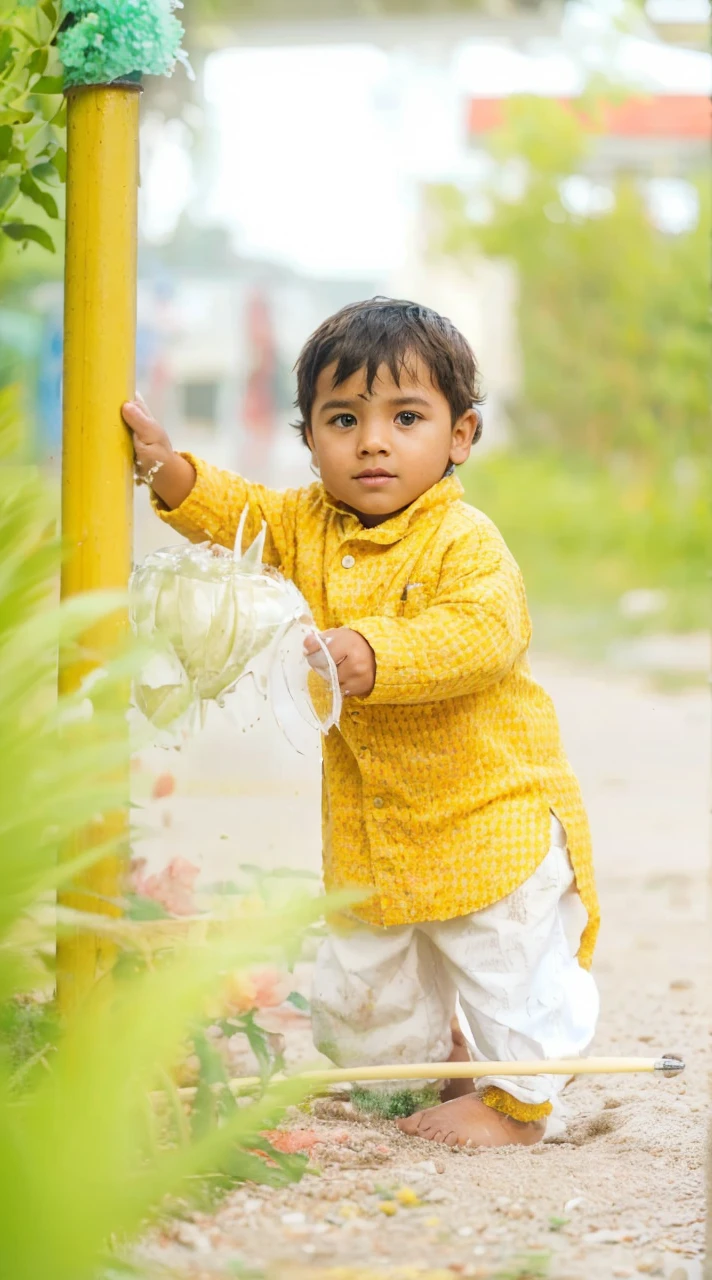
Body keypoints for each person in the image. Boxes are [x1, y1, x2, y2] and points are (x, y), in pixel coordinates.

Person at [122, 297, 600, 1149]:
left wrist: (375, 653)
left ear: (461, 435)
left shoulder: (465, 541)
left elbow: (484, 636)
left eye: (405, 417)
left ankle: (520, 1108)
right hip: (377, 829)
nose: (372, 441)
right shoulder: (305, 523)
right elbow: (244, 517)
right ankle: (417, 1072)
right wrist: (172, 474)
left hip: (488, 819)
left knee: (509, 973)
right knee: (362, 993)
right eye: (344, 419)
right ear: (310, 437)